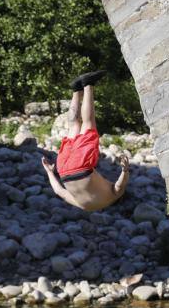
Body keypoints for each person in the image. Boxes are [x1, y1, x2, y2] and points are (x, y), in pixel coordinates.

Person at [41, 71, 130, 211]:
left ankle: (88, 84)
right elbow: (59, 192)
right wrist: (49, 172)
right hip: (63, 170)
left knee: (88, 125)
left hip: (81, 167)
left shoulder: (114, 196)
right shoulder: (84, 206)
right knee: (74, 126)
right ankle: (76, 90)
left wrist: (125, 170)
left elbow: (120, 186)